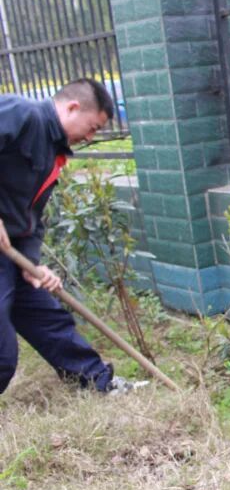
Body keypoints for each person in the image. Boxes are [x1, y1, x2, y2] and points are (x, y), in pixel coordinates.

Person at [0, 78, 136, 395]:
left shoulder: (52, 151)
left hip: (10, 251)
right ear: (73, 107)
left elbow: (31, 215)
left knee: (48, 319)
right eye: (92, 127)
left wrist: (31, 263)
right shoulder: (22, 114)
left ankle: (98, 383)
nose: (90, 137)